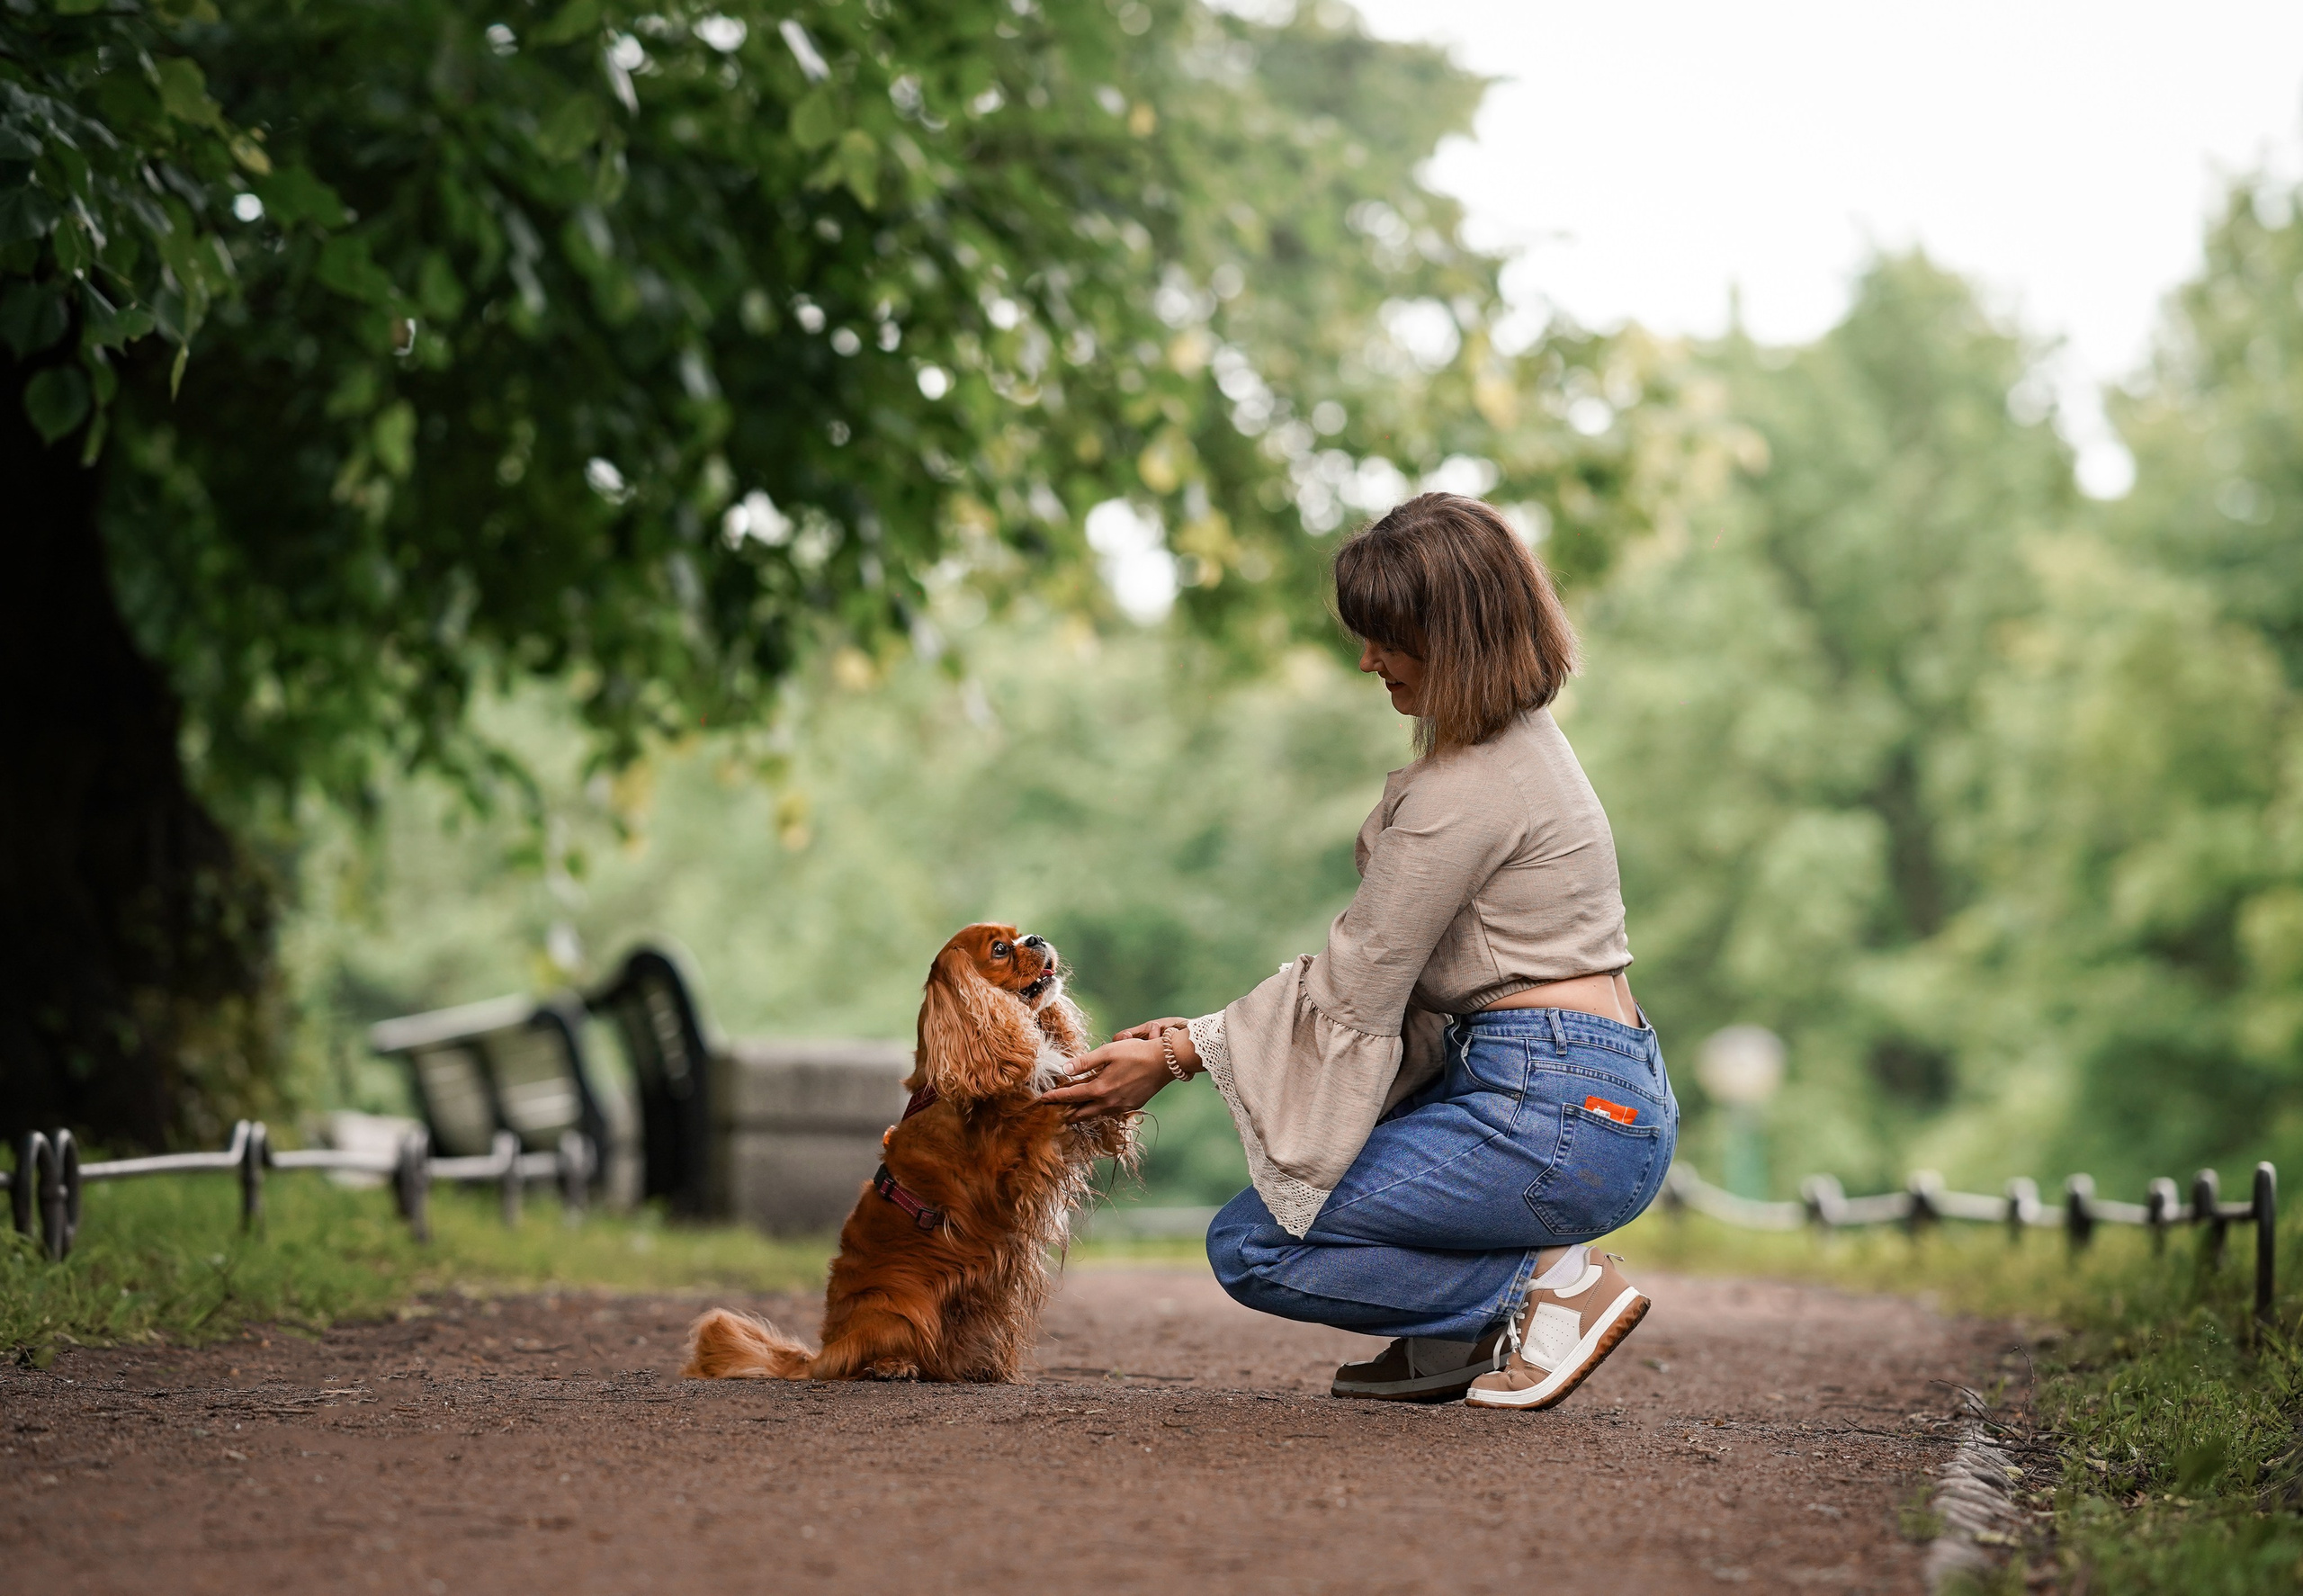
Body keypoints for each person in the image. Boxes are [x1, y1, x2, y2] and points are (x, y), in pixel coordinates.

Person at [1040, 492, 1677, 1409]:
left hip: (1549, 1110)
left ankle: (1544, 1291)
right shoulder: (1524, 753)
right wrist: (1190, 1034)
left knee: (1255, 1243)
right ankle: (1460, 1336)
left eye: (1390, 635)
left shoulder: (1469, 787)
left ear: (1455, 636)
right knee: (1314, 1185)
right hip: (1592, 1091)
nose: (1369, 659)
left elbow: (1357, 986)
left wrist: (1178, 1056)